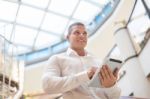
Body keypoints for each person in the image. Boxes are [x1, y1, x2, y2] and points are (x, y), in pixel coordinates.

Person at [42, 22, 121, 99]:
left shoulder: (98, 62)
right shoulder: (57, 59)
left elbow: (115, 96)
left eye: (85, 33)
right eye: (76, 33)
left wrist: (111, 86)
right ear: (68, 37)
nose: (82, 36)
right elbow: (47, 84)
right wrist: (86, 75)